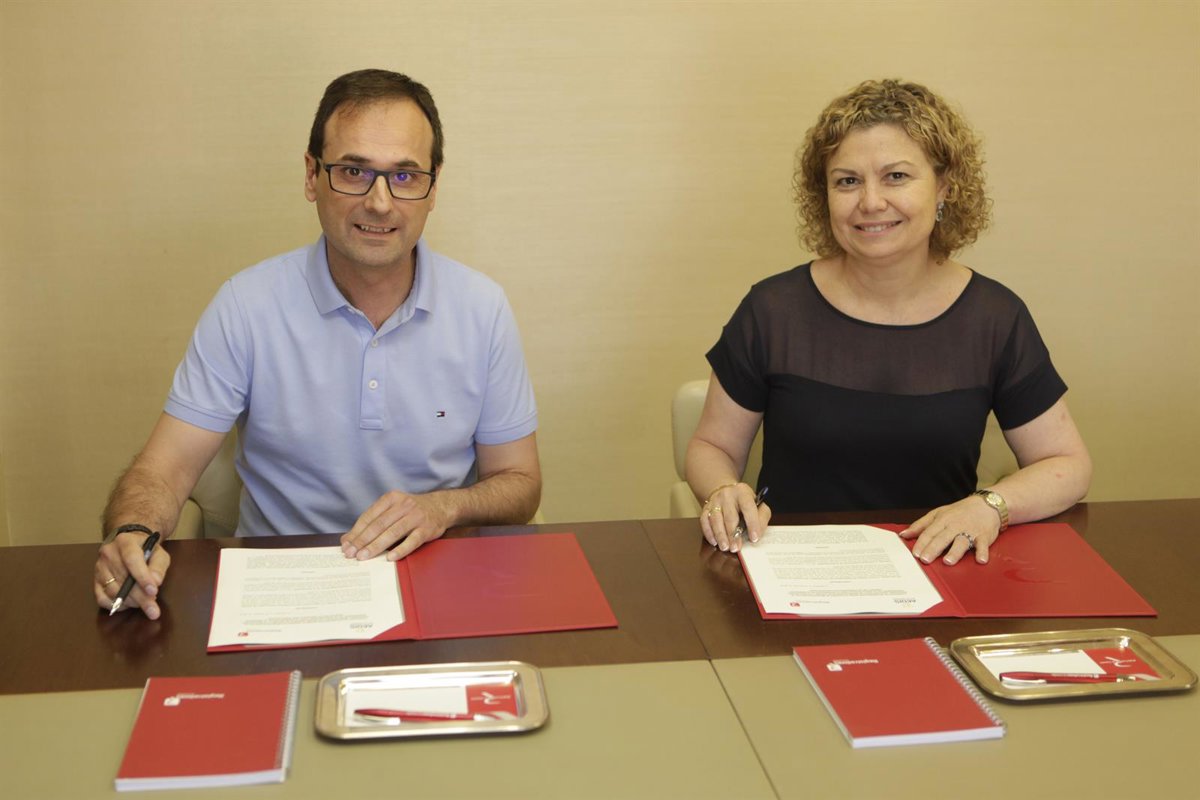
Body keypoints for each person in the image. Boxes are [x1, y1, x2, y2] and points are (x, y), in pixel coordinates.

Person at [94, 69, 541, 619]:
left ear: (433, 187)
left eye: (404, 176)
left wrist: (444, 508)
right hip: (280, 591)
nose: (380, 202)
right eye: (354, 172)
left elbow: (520, 484)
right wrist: (133, 532)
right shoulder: (246, 305)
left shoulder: (482, 308)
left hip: (437, 583)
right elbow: (164, 469)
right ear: (312, 175)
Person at [687, 78, 1090, 564]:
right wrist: (723, 489)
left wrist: (992, 506)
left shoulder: (995, 318)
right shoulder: (772, 310)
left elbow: (1066, 464)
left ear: (944, 187)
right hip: (793, 573)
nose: (871, 202)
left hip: (939, 568)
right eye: (847, 181)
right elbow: (711, 445)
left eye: (896, 176)